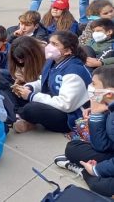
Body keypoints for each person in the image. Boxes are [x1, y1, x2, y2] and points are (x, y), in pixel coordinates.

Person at [12, 31, 91, 133]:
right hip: (53, 102)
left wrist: (32, 96)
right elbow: (43, 81)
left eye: (55, 44)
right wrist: (29, 88)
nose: (49, 46)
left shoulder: (74, 71)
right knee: (15, 92)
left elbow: (66, 105)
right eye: (50, 42)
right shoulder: (52, 61)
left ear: (67, 51)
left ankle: (21, 117)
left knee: (32, 108)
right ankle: (25, 118)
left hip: (70, 116)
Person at [54, 67, 114, 196]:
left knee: (101, 185)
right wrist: (97, 114)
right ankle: (91, 168)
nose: (90, 87)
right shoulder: (108, 106)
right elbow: (102, 145)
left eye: (94, 84)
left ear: (109, 93)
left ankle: (84, 171)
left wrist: (96, 169)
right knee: (73, 147)